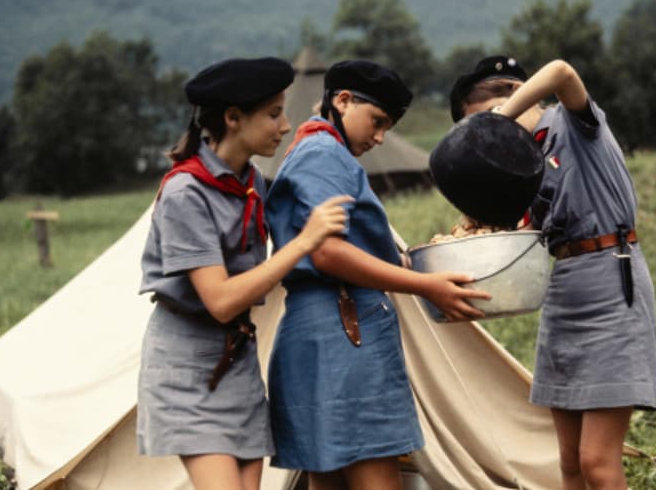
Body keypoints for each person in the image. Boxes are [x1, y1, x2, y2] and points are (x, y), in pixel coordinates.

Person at [264, 60, 490, 490]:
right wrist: (425, 284)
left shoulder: (309, 149)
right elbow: (327, 252)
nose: (380, 137)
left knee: (327, 481)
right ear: (342, 100)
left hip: (322, 331)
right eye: (378, 121)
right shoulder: (323, 152)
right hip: (345, 331)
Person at [137, 56, 353, 490]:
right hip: (187, 367)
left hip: (237, 364)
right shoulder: (186, 193)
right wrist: (302, 243)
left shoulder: (251, 181)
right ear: (233, 118)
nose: (286, 125)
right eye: (273, 114)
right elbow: (219, 301)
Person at [449, 56, 656, 490]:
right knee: (568, 462)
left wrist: (500, 123)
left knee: (597, 462)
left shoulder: (573, 123)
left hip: (609, 282)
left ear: (507, 98)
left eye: (482, 128)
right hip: (564, 290)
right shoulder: (524, 160)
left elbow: (562, 71)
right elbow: (524, 230)